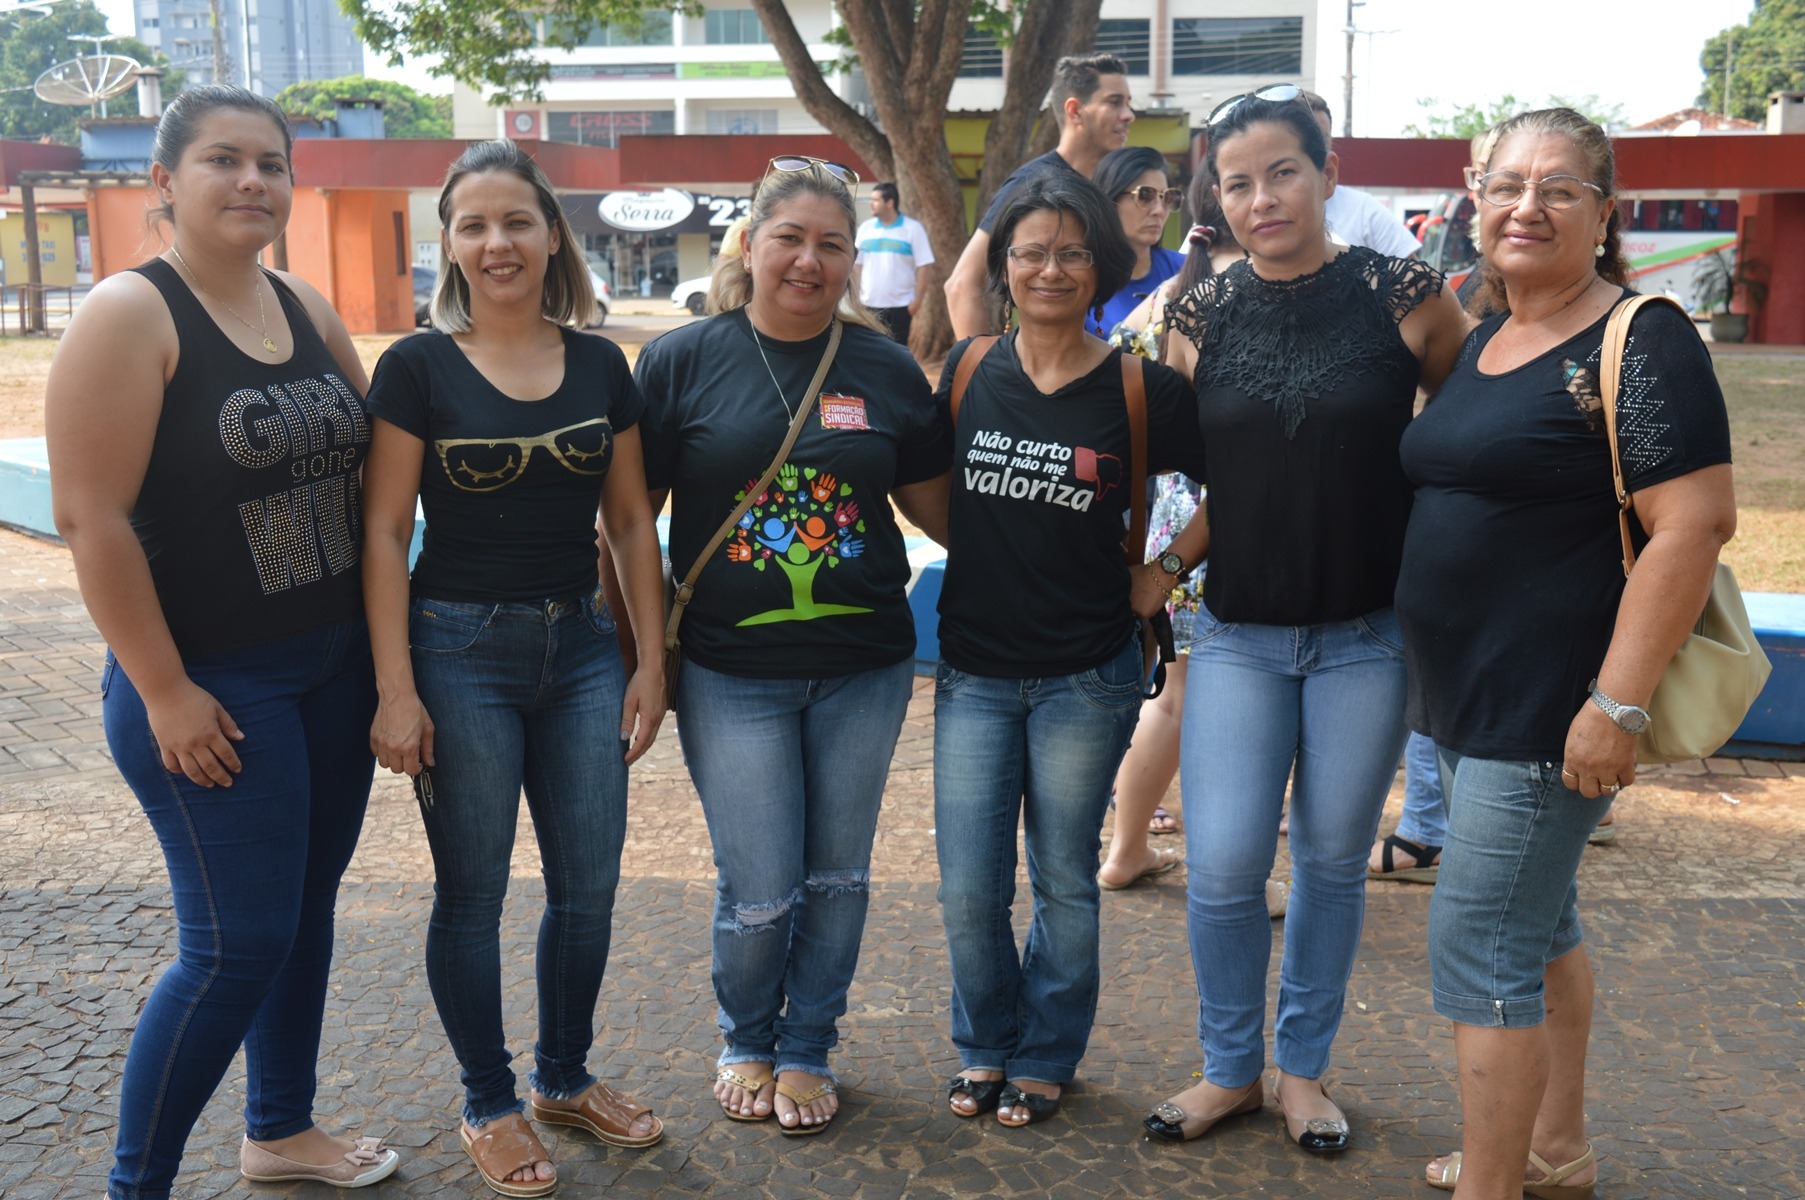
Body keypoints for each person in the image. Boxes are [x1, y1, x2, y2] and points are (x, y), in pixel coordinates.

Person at [45, 85, 399, 1200]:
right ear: (163, 181)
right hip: (213, 682)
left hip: (332, 668)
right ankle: (135, 1184)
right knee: (234, 943)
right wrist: (163, 689)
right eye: (222, 161)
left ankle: (279, 1132)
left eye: (272, 164)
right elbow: (88, 519)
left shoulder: (302, 301)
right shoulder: (129, 314)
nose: (253, 181)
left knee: (301, 918)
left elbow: (384, 459)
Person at [1401, 108, 1735, 1200]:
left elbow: (1691, 524)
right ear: (1470, 194)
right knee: (1538, 930)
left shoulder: (1638, 338)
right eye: (1503, 185)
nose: (1524, 207)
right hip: (1464, 699)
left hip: (1550, 710)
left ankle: (1493, 1186)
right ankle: (1551, 1152)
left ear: (1604, 212)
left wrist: (1617, 703)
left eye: (1556, 188)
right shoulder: (1480, 332)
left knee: (1478, 952)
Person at [1135, 86, 1468, 1152]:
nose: (1260, 197)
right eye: (1234, 182)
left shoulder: (1401, 292)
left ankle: (1301, 1073)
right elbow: (1198, 477)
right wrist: (1153, 573)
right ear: (1215, 200)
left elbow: (1471, 429)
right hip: (1235, 633)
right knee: (1226, 863)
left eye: (1281, 171)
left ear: (1325, 175)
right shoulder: (1192, 314)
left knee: (1329, 861)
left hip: (1366, 633)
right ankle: (1228, 1068)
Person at [360, 139, 669, 1196]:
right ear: (448, 243)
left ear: (551, 235)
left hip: (581, 650)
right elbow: (384, 532)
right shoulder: (416, 367)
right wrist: (395, 687)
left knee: (587, 889)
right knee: (474, 891)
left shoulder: (599, 364)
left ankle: (564, 1077)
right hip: (457, 649)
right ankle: (488, 1100)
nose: (498, 242)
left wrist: (648, 663)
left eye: (517, 222)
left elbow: (630, 524)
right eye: (474, 225)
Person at [632, 155, 951, 1136]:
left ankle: (807, 1043)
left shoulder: (886, 371)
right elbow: (625, 524)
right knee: (763, 887)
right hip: (730, 672)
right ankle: (746, 1033)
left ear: (854, 261)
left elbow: (947, 515)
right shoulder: (682, 360)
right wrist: (645, 657)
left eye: (830, 245)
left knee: (839, 875)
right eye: (789, 239)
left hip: (864, 668)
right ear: (750, 246)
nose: (808, 262)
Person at [934, 171, 1207, 1129]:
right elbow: (923, 488)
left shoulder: (1140, 386)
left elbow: (1239, 482)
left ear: (1099, 265)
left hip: (1086, 673)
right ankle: (983, 1047)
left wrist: (1163, 572)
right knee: (969, 883)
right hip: (971, 668)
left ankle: (1044, 1056)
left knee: (1062, 879)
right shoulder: (967, 371)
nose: (1050, 269)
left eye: (1071, 252)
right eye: (1030, 252)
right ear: (1003, 267)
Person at [1098, 176, 1237, 886]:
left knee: (1172, 695)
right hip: (1224, 520)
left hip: (1161, 515)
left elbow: (1119, 363)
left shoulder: (1170, 291)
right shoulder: (1252, 289)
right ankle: (1212, 870)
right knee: (1215, 704)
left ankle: (1125, 848)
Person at [944, 53, 1134, 337]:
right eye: (1114, 102)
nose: (1129, 115)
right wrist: (980, 373)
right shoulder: (1033, 182)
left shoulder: (1115, 184)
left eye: (1129, 104)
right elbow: (962, 284)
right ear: (1074, 111)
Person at [1301, 91, 1421, 260]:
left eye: (1321, 137)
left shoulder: (1364, 211)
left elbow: (1420, 281)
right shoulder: (1261, 214)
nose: (1314, 148)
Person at [1087, 146, 1184, 337]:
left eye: (1166, 197)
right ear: (1109, 199)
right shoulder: (1082, 281)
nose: (1159, 210)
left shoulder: (1186, 270)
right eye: (1145, 195)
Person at [853, 181, 936, 346]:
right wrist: (855, 297)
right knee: (870, 350)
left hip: (900, 306)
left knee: (896, 352)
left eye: (876, 200)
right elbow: (857, 266)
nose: (871, 204)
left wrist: (917, 300)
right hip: (868, 304)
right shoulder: (865, 229)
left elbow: (924, 266)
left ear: (890, 203)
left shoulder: (913, 229)